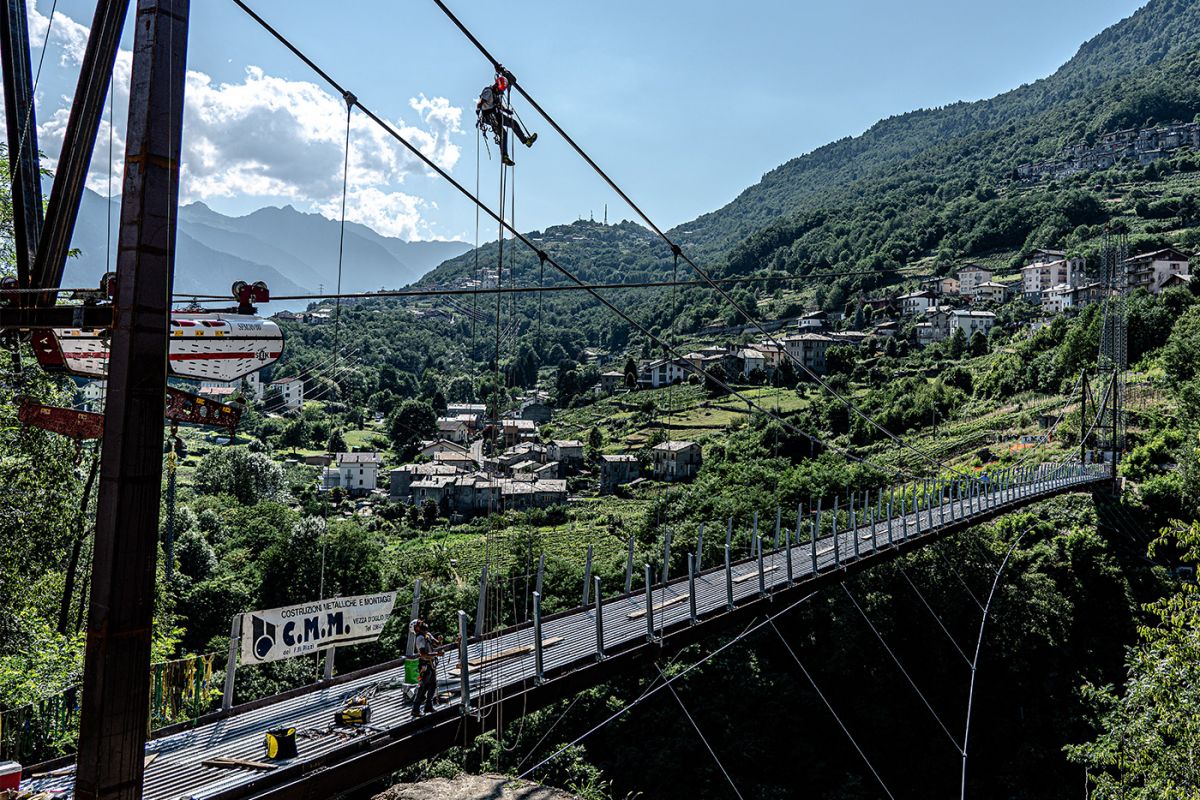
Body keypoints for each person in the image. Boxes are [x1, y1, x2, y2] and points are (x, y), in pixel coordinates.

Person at [477, 72, 537, 167]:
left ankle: (526, 141)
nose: (500, 92)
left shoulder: (496, 93)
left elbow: (499, 105)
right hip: (489, 116)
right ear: (496, 85)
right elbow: (481, 102)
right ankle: (504, 157)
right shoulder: (488, 91)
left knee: (513, 123)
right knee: (503, 133)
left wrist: (506, 111)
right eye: (499, 90)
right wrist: (478, 110)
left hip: (496, 114)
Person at [410, 618, 443, 717]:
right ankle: (415, 709)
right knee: (423, 687)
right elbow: (423, 654)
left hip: (431, 664)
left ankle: (428, 706)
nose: (423, 624)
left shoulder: (427, 635)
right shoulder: (420, 638)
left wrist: (440, 641)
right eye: (420, 623)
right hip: (425, 664)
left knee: (433, 684)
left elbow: (435, 643)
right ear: (417, 628)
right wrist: (437, 653)